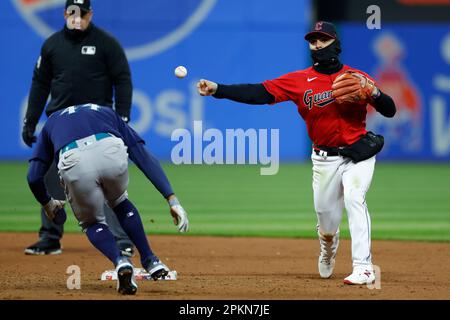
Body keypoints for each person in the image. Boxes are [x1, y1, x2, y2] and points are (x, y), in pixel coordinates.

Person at [196, 21, 396, 285]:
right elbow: (259, 93)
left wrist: (375, 92)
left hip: (357, 154)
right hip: (324, 160)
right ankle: (328, 245)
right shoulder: (299, 81)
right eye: (312, 41)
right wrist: (219, 89)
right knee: (327, 222)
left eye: (322, 40)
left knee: (355, 198)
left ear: (335, 43)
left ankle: (364, 267)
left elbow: (390, 109)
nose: (317, 45)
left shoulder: (356, 78)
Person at [27, 103, 189, 295]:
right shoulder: (106, 111)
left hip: (74, 160)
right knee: (120, 202)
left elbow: (33, 177)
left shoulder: (52, 121)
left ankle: (120, 262)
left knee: (91, 222)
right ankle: (151, 261)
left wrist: (48, 203)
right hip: (110, 150)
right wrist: (171, 199)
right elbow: (141, 155)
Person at [22, 0, 135, 256]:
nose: (76, 18)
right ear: (65, 14)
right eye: (72, 13)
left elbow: (122, 79)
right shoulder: (52, 45)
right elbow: (40, 84)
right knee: (51, 178)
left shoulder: (106, 43)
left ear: (90, 15)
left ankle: (122, 240)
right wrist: (31, 120)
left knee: (108, 183)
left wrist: (123, 117)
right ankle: (50, 237)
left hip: (96, 123)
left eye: (81, 14)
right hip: (59, 123)